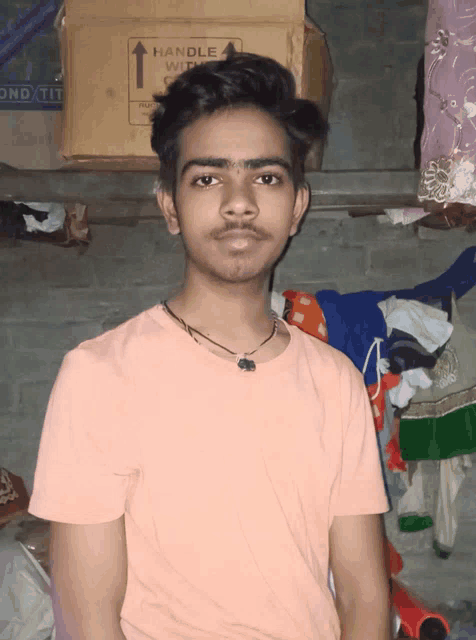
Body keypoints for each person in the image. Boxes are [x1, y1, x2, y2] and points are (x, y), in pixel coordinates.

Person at [28, 50, 392, 640]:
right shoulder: (99, 375)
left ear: (297, 206)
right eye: (208, 178)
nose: (239, 202)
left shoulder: (336, 380)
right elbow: (86, 619)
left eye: (266, 177)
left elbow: (363, 599)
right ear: (170, 206)